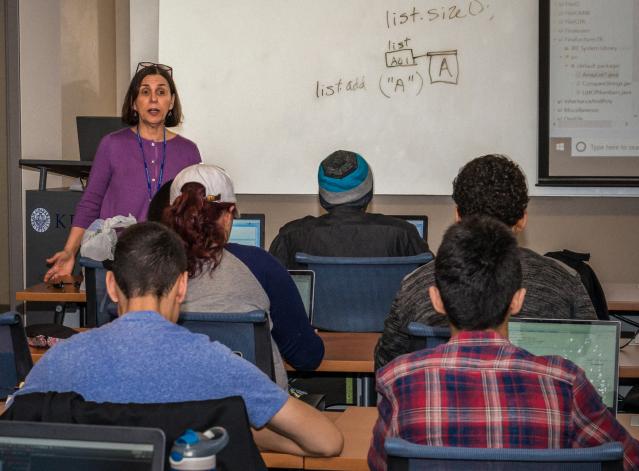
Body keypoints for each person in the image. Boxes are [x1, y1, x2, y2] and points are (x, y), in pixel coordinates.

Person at [16, 222, 343, 457]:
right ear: (182, 286)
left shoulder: (62, 360)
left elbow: (16, 425)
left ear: (112, 286)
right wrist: (245, 434)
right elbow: (326, 441)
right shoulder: (217, 363)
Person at [368, 216, 639, 470]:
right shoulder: (566, 382)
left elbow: (380, 463)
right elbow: (628, 458)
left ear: (436, 300)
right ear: (518, 299)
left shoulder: (398, 380)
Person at [374, 154, 597, 370]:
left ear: (458, 215)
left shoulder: (416, 284)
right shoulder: (565, 282)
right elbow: (594, 359)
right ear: (522, 219)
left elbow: (387, 363)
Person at [163, 164, 324, 387]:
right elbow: (307, 357)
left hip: (175, 405)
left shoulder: (152, 267)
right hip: (253, 413)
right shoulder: (260, 265)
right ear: (229, 215)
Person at [44, 62, 201, 283]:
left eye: (161, 92)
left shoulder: (188, 151)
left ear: (171, 102)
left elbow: (197, 213)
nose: (153, 99)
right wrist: (70, 251)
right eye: (145, 92)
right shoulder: (112, 145)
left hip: (169, 263)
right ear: (134, 103)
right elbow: (90, 202)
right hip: (118, 263)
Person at [269, 150, 430, 269]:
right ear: (368, 193)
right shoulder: (403, 234)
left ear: (323, 198)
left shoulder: (290, 237)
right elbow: (434, 293)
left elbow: (274, 296)